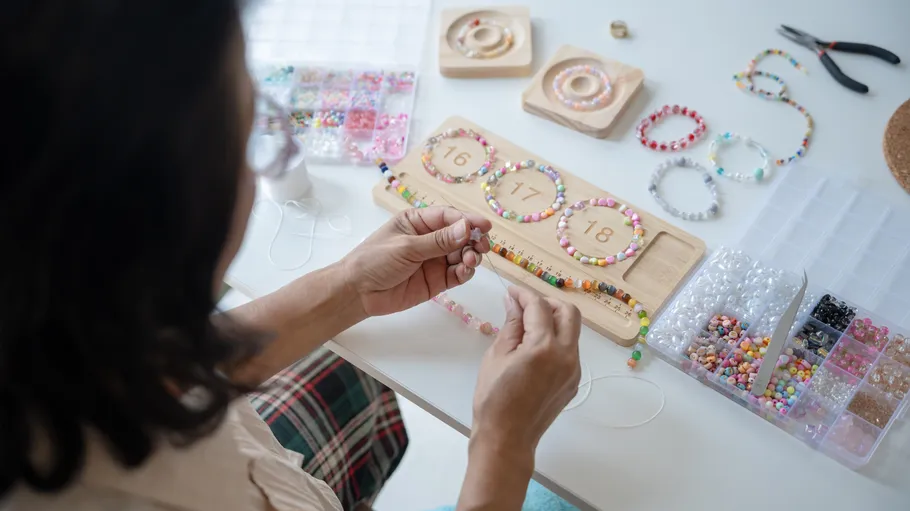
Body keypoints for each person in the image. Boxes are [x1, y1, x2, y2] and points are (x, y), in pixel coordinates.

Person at [0, 1, 582, 510]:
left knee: (361, 375)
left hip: (254, 465)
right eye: (246, 128)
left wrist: (350, 287)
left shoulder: (48, 318)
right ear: (165, 220)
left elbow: (162, 368)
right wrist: (503, 448)